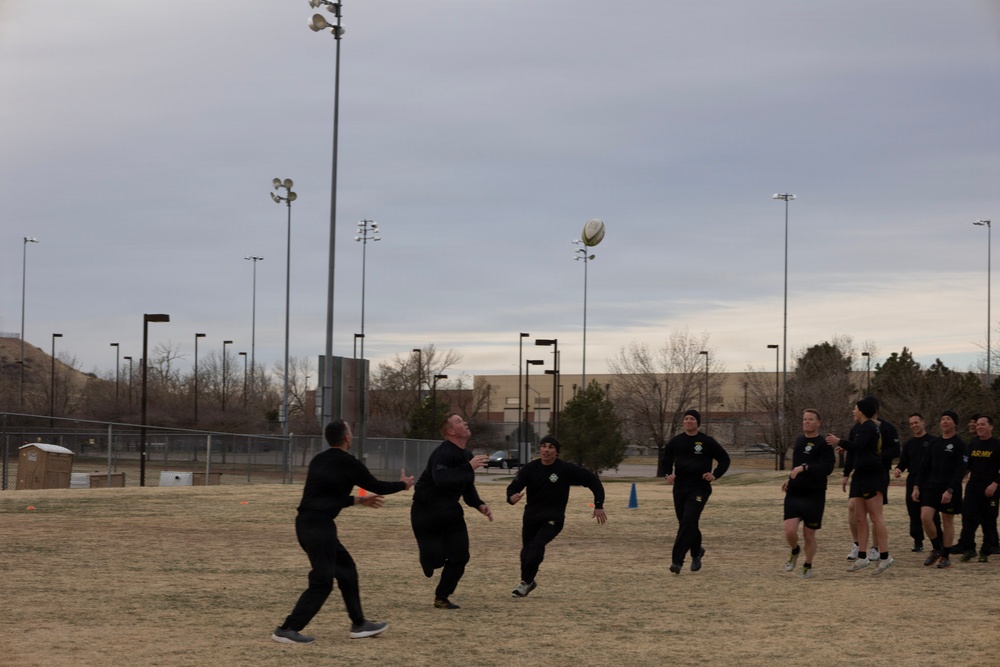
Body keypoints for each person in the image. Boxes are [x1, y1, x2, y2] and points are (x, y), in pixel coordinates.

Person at [272, 420, 414, 645]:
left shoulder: (319, 460)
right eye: (351, 430)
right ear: (347, 437)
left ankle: (359, 624)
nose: (352, 434)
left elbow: (325, 497)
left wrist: (358, 500)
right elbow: (376, 485)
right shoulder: (348, 462)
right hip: (319, 526)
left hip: (308, 523)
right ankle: (288, 628)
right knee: (323, 581)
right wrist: (402, 485)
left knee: (346, 569)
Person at [505, 434, 607, 597]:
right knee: (527, 552)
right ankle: (528, 581)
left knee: (537, 545)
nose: (546, 450)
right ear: (540, 449)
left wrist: (599, 504)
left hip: (553, 518)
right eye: (544, 446)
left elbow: (592, 480)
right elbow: (513, 488)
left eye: (551, 447)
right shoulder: (530, 469)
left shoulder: (565, 469)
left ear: (556, 452)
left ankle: (524, 583)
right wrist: (512, 497)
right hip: (531, 517)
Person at [410, 414, 493, 609]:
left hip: (450, 510)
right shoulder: (444, 453)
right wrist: (469, 467)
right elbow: (441, 478)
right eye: (458, 421)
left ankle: (442, 597)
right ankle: (427, 560)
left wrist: (479, 505)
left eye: (463, 420)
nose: (464, 423)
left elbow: (466, 486)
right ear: (450, 431)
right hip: (426, 510)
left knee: (460, 556)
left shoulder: (466, 455)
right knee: (436, 559)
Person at [826, 397, 894, 575]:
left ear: (862, 411)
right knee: (859, 517)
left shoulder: (870, 427)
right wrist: (846, 450)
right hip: (860, 475)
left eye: (855, 409)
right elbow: (857, 448)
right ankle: (862, 556)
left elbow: (859, 445)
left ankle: (885, 557)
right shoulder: (860, 428)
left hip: (873, 474)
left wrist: (838, 441)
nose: (853, 411)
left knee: (875, 516)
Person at [661, 409, 730, 574]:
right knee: (687, 522)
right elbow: (666, 459)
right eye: (686, 419)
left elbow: (724, 459)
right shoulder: (676, 441)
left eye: (692, 419)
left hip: (700, 488)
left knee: (688, 521)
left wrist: (714, 475)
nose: (688, 421)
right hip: (680, 489)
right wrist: (667, 475)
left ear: (697, 422)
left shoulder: (706, 441)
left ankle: (677, 562)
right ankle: (697, 551)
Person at [782, 409, 836, 578]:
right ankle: (795, 550)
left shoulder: (824, 443)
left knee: (809, 535)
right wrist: (789, 479)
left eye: (810, 419)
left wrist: (805, 468)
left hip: (814, 495)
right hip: (795, 493)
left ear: (818, 423)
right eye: (804, 419)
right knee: (790, 531)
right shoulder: (799, 441)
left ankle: (808, 564)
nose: (806, 422)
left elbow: (827, 468)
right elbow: (796, 465)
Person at [913, 411, 967, 568]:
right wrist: (916, 486)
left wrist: (950, 490)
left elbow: (961, 470)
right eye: (942, 419)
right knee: (925, 517)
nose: (944, 421)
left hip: (950, 488)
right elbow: (923, 467)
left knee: (947, 521)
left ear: (955, 423)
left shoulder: (959, 444)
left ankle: (946, 556)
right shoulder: (934, 443)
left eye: (948, 419)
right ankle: (937, 548)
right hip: (932, 487)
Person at [893, 413, 940, 552]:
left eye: (916, 422)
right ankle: (918, 541)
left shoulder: (933, 441)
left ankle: (937, 542)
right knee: (913, 513)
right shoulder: (909, 444)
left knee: (931, 513)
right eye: (911, 423)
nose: (914, 425)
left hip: (929, 481)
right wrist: (898, 469)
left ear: (923, 422)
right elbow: (903, 462)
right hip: (912, 479)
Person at [957, 415, 1000, 563]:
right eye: (978, 425)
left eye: (982, 424)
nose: (979, 427)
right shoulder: (973, 444)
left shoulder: (997, 445)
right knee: (968, 519)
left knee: (989, 521)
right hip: (973, 487)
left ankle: (985, 551)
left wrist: (995, 484)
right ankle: (969, 549)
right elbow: (967, 465)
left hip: (990, 489)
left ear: (991, 427)